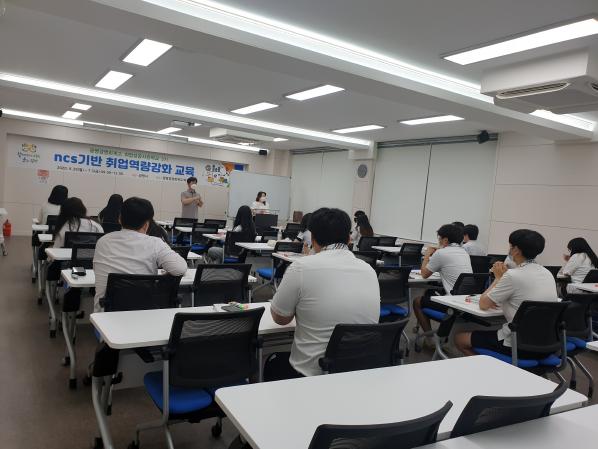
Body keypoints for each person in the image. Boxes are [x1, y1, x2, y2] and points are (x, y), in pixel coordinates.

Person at [269, 207, 380, 379]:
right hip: (359, 374)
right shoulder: (369, 270)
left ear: (312, 239)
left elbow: (280, 318)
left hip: (313, 375)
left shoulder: (301, 267)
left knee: (272, 363)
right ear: (349, 238)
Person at [455, 229, 559, 358]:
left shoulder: (513, 275)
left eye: (510, 246)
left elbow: (483, 304)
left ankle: (488, 367)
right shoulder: (547, 273)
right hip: (548, 344)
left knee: (460, 338)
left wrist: (498, 278)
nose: (509, 250)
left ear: (516, 250)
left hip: (518, 345)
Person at [93, 197, 188, 312]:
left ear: (120, 219)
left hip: (105, 314)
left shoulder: (103, 241)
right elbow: (180, 269)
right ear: (146, 224)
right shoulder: (155, 243)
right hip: (143, 313)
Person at [413, 224, 472, 336]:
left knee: (417, 301)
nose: (438, 241)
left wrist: (427, 254)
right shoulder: (464, 253)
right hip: (466, 301)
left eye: (439, 238)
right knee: (429, 292)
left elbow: (424, 274)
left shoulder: (441, 253)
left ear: (445, 240)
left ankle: (429, 338)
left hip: (452, 303)